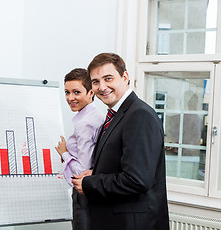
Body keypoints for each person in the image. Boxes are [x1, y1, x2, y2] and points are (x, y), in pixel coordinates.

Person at [72, 53, 169, 230]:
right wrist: (95, 172)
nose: (102, 87)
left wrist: (89, 184)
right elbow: (123, 164)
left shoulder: (139, 115)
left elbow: (137, 180)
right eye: (95, 82)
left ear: (125, 77)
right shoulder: (115, 115)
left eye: (108, 78)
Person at [55, 68, 104, 230]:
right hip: (94, 191)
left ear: (91, 93)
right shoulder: (94, 115)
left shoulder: (85, 123)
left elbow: (82, 170)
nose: (70, 98)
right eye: (67, 92)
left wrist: (65, 153)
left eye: (76, 92)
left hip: (85, 193)